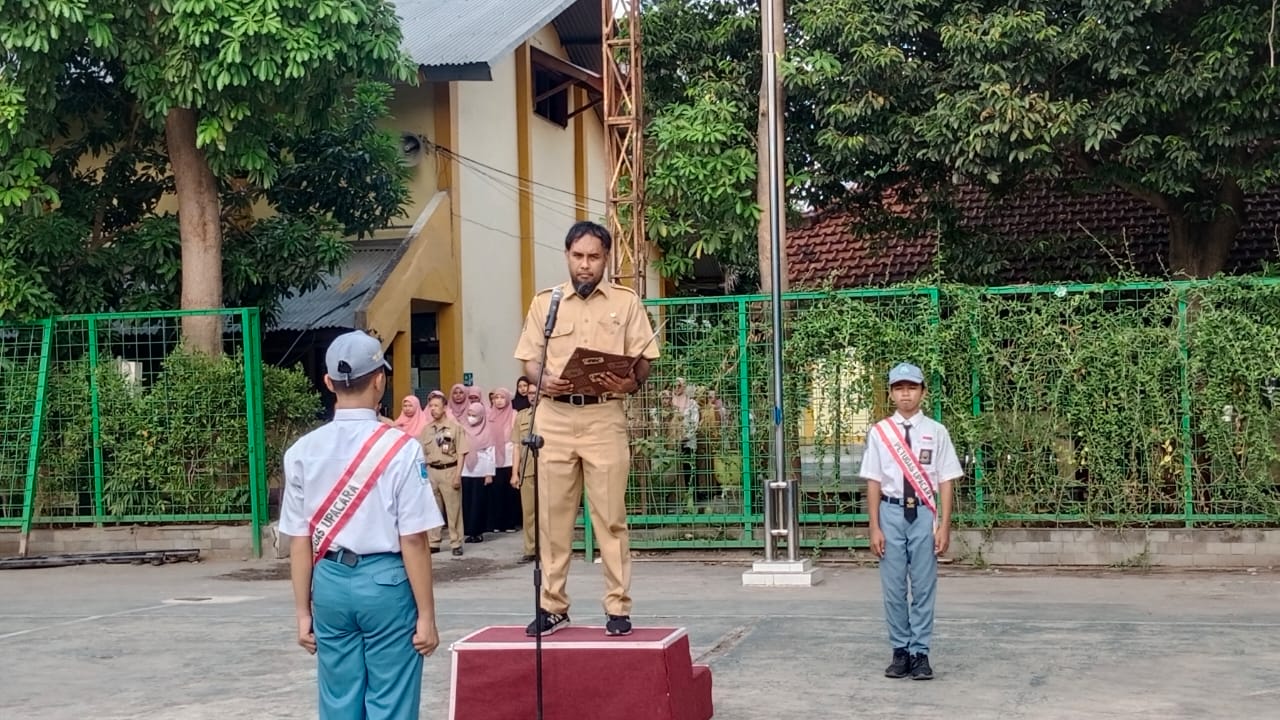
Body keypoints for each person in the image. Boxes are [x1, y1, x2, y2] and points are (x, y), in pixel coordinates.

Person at [278, 330, 443, 719]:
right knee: (391, 701)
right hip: (386, 584)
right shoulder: (401, 448)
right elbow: (414, 541)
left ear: (329, 383)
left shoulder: (301, 451)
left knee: (338, 701)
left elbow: (299, 541)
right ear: (380, 380)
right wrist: (427, 616)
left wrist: (303, 612)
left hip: (329, 582)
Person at [514, 220, 660, 638]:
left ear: (606, 259)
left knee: (610, 518)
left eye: (593, 257)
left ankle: (617, 607)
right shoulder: (547, 302)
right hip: (554, 418)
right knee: (553, 519)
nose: (585, 265)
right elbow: (529, 357)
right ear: (566, 256)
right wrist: (542, 379)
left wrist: (630, 381)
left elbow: (643, 359)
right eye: (578, 256)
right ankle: (552, 606)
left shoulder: (625, 302)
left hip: (604, 417)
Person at [860, 362, 962, 681]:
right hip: (890, 513)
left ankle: (920, 652)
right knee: (892, 587)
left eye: (912, 388)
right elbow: (874, 481)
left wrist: (944, 524)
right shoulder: (880, 433)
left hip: (923, 513)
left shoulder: (936, 431)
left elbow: (946, 479)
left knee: (923, 585)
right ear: (891, 393)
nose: (906, 394)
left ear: (923, 391)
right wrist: (874, 526)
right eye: (899, 388)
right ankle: (899, 651)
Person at [422, 390, 469, 557]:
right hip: (431, 471)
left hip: (449, 469)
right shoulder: (426, 430)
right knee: (433, 509)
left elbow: (462, 452)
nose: (433, 409)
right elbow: (422, 454)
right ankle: (433, 541)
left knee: (453, 508)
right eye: (431, 406)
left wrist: (458, 475)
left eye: (436, 406)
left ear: (444, 408)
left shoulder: (455, 428)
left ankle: (456, 541)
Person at [486, 387, 522, 532]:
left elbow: (515, 439)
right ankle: (496, 523)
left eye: (502, 398)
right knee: (495, 492)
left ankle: (509, 523)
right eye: (496, 398)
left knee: (509, 492)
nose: (499, 401)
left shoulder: (514, 414)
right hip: (493, 457)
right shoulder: (489, 415)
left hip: (509, 456)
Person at [459, 400, 495, 544]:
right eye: (469, 414)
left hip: (481, 470)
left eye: (474, 415)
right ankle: (469, 531)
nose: (471, 417)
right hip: (465, 470)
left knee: (478, 503)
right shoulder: (462, 428)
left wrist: (489, 473)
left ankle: (478, 532)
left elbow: (491, 453)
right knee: (467, 502)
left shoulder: (488, 430)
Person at [511, 394, 538, 563]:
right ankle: (531, 549)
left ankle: (549, 550)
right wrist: (515, 472)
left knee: (549, 513)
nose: (533, 396)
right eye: (529, 393)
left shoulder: (552, 412)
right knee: (529, 512)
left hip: (548, 469)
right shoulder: (521, 416)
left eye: (536, 392)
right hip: (527, 468)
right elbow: (515, 445)